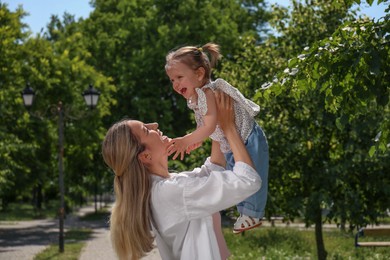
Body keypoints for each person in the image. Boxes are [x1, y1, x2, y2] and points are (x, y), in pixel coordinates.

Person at [102, 92, 261, 260]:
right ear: (145, 156)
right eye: (146, 130)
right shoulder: (171, 192)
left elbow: (214, 169)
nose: (155, 125)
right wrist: (229, 127)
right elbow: (247, 181)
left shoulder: (164, 188)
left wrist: (214, 122)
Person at [165, 42, 269, 233]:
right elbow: (204, 125)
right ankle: (245, 213)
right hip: (231, 143)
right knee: (237, 177)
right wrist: (196, 139)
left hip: (248, 137)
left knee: (254, 175)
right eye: (172, 80)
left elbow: (211, 125)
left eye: (179, 77)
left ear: (199, 74)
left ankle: (253, 214)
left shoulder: (207, 93)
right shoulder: (197, 98)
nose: (176, 84)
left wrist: (186, 139)